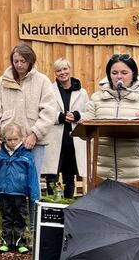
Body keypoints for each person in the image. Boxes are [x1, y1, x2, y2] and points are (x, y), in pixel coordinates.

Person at [0, 44, 55, 230]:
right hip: (8, 143)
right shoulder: (3, 81)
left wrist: (35, 133)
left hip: (33, 143)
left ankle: (32, 225)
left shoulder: (42, 81)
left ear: (31, 61)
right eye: (16, 61)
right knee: (7, 182)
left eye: (23, 61)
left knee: (31, 183)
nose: (19, 65)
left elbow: (49, 111)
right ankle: (11, 224)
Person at [82, 53, 139, 182]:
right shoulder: (97, 98)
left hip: (137, 174)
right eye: (114, 73)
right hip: (103, 172)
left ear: (133, 74)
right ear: (108, 75)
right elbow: (84, 132)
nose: (119, 77)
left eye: (124, 72)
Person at [42, 58, 88, 199]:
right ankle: (51, 203)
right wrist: (60, 117)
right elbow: (43, 112)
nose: (62, 73)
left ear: (70, 69)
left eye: (65, 69)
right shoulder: (49, 91)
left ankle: (68, 203)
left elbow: (90, 114)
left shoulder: (82, 92)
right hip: (55, 140)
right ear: (55, 73)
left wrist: (77, 115)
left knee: (70, 176)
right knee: (52, 175)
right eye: (58, 70)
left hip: (73, 140)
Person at [0, 123, 40, 254]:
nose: (12, 142)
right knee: (6, 218)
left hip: (20, 193)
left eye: (15, 139)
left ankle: (20, 242)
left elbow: (32, 176)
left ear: (21, 138)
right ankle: (6, 241)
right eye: (9, 140)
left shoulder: (27, 156)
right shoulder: (1, 156)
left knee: (20, 218)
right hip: (4, 193)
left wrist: (34, 194)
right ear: (4, 139)